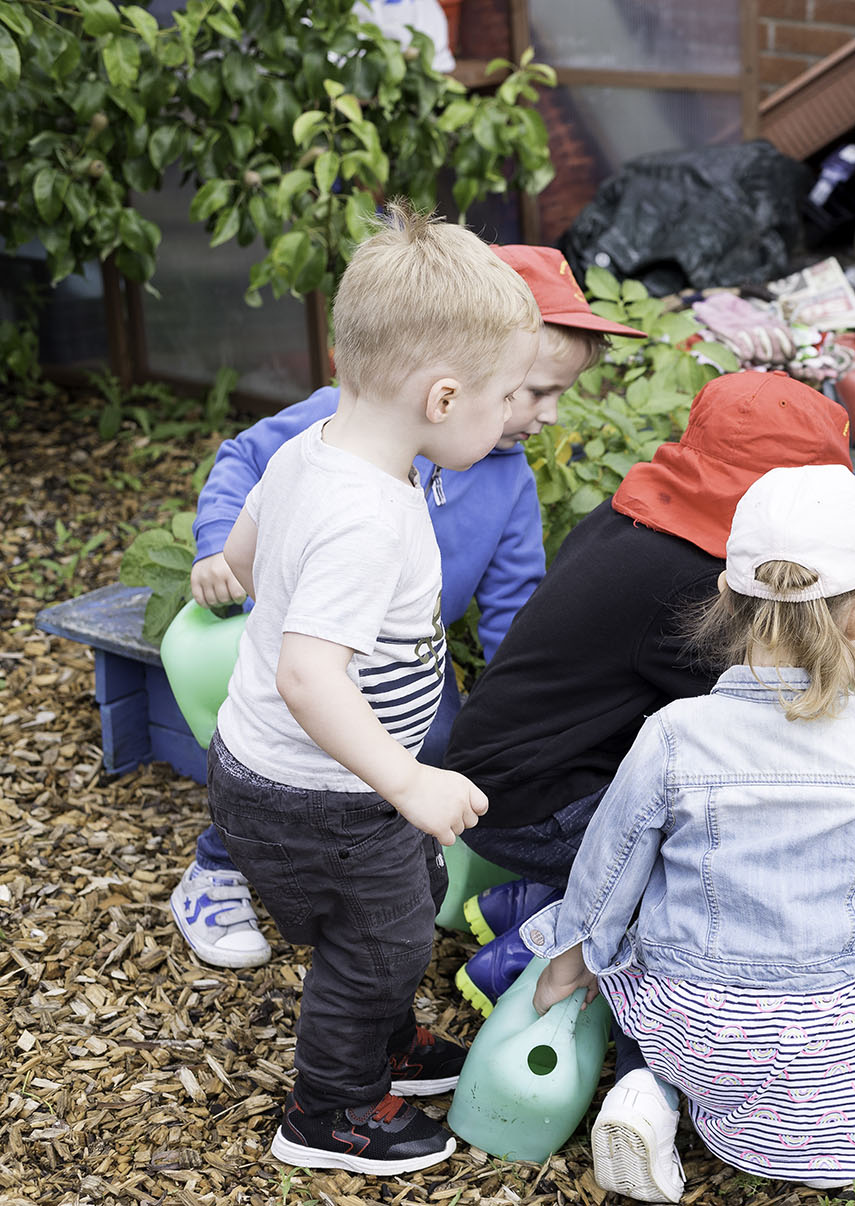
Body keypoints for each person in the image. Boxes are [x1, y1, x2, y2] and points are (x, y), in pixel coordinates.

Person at [169, 243, 642, 970]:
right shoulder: (350, 426)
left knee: (446, 752)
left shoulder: (505, 477)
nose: (548, 414)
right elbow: (246, 467)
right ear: (452, 383)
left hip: (404, 663)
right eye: (530, 389)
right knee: (289, 773)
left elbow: (515, 604)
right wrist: (217, 553)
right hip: (313, 657)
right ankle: (220, 866)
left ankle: (399, 870)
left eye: (557, 394)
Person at [524, 463, 855, 1202]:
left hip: (699, 1017)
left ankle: (649, 1093)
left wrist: (568, 966)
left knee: (647, 954)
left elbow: (609, 864)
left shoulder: (675, 734)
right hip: (832, 1031)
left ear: (728, 595)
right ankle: (799, 1142)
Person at [204, 203, 541, 1173]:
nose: (515, 415)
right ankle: (330, 1111)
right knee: (379, 943)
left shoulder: (310, 454)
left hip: (290, 776)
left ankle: (385, 1040)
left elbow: (243, 547)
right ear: (443, 399)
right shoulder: (372, 519)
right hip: (322, 796)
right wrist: (407, 780)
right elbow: (308, 675)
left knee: (405, 899)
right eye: (508, 395)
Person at [443, 371, 855, 1012]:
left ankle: (526, 899)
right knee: (716, 851)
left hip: (512, 775)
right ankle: (540, 952)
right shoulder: (691, 584)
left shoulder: (639, 519)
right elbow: (766, 718)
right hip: (534, 806)